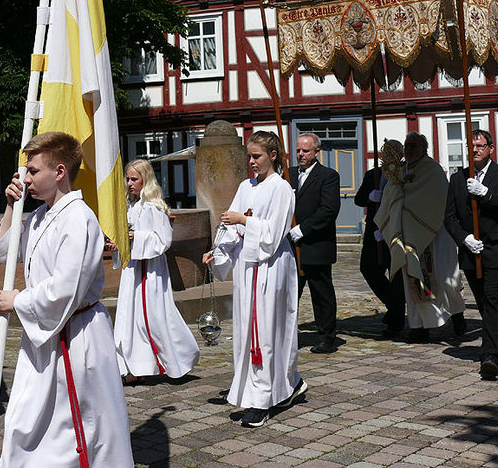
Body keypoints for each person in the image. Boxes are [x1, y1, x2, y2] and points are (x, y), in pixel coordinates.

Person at [0, 132, 132, 467]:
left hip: (75, 336)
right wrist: (11, 206)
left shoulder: (79, 219)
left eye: (33, 171)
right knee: (27, 418)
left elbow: (66, 288)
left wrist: (18, 301)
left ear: (60, 172)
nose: (25, 178)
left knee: (76, 424)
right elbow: (5, 254)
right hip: (43, 338)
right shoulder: (38, 217)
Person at [204, 131, 305, 429]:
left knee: (268, 331)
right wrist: (217, 252)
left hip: (271, 268)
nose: (251, 162)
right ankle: (280, 384)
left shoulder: (282, 188)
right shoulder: (244, 187)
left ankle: (262, 400)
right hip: (248, 268)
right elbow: (230, 226)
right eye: (249, 156)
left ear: (273, 155)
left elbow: (273, 234)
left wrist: (244, 221)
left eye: (256, 156)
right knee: (248, 330)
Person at [444, 129, 498, 379]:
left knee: (492, 299)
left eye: (480, 146)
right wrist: (463, 238)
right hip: (471, 251)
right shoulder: (457, 179)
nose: (475, 150)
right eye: (472, 146)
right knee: (485, 304)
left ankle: (489, 356)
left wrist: (486, 194)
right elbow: (450, 216)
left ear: (491, 148)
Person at [113, 159, 199, 381]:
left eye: (134, 179)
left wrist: (136, 237)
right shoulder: (129, 206)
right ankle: (134, 367)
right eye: (128, 179)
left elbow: (163, 240)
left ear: (145, 179)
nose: (129, 183)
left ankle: (178, 358)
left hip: (150, 270)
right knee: (129, 317)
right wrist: (119, 242)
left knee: (153, 316)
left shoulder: (154, 207)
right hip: (132, 268)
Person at [376, 133, 466, 342]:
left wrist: (404, 195)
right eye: (407, 145)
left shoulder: (432, 170)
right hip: (410, 236)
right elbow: (392, 196)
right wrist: (394, 188)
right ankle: (419, 327)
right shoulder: (400, 170)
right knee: (414, 282)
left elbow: (434, 198)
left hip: (435, 233)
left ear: (424, 148)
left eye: (413, 145)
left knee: (445, 279)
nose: (408, 149)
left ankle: (456, 312)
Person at [288, 132, 340, 354]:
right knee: (289, 295)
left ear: (316, 152)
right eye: (298, 150)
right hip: (291, 247)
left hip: (316, 245)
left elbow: (328, 210)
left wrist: (304, 229)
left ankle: (327, 336)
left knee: (321, 294)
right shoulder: (287, 174)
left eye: (305, 151)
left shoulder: (328, 176)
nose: (300, 154)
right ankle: (288, 336)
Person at [354, 157, 406, 337]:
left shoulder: (404, 175)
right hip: (373, 232)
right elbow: (358, 199)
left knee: (396, 276)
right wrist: (370, 196)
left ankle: (396, 322)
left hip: (397, 232)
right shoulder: (372, 175)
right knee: (368, 269)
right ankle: (394, 305)